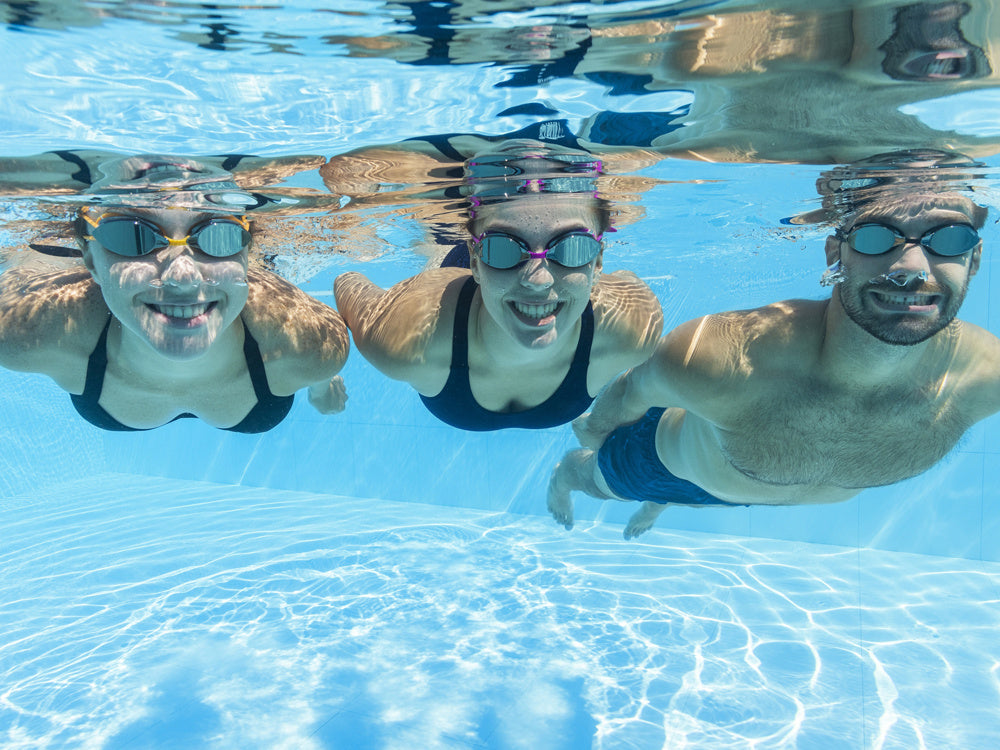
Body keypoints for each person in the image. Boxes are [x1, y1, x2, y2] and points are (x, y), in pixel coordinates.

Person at [548, 150, 1000, 538]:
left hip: (736, 477)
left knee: (697, 489)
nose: (912, 268)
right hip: (663, 465)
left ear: (974, 258)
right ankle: (567, 478)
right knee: (595, 480)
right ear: (835, 254)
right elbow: (630, 391)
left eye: (950, 239)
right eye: (875, 236)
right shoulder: (723, 359)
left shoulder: (985, 378)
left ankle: (660, 505)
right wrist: (594, 435)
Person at [0, 156, 350, 432]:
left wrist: (321, 384)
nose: (183, 277)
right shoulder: (25, 329)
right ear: (89, 258)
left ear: (246, 253)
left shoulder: (310, 345)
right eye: (131, 236)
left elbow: (317, 363)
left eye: (220, 235)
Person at [333, 141, 663, 431]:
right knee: (441, 251)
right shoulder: (408, 340)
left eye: (572, 248)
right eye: (503, 247)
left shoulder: (632, 330)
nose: (538, 279)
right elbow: (347, 282)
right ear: (475, 262)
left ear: (598, 261)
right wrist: (325, 373)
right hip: (449, 282)